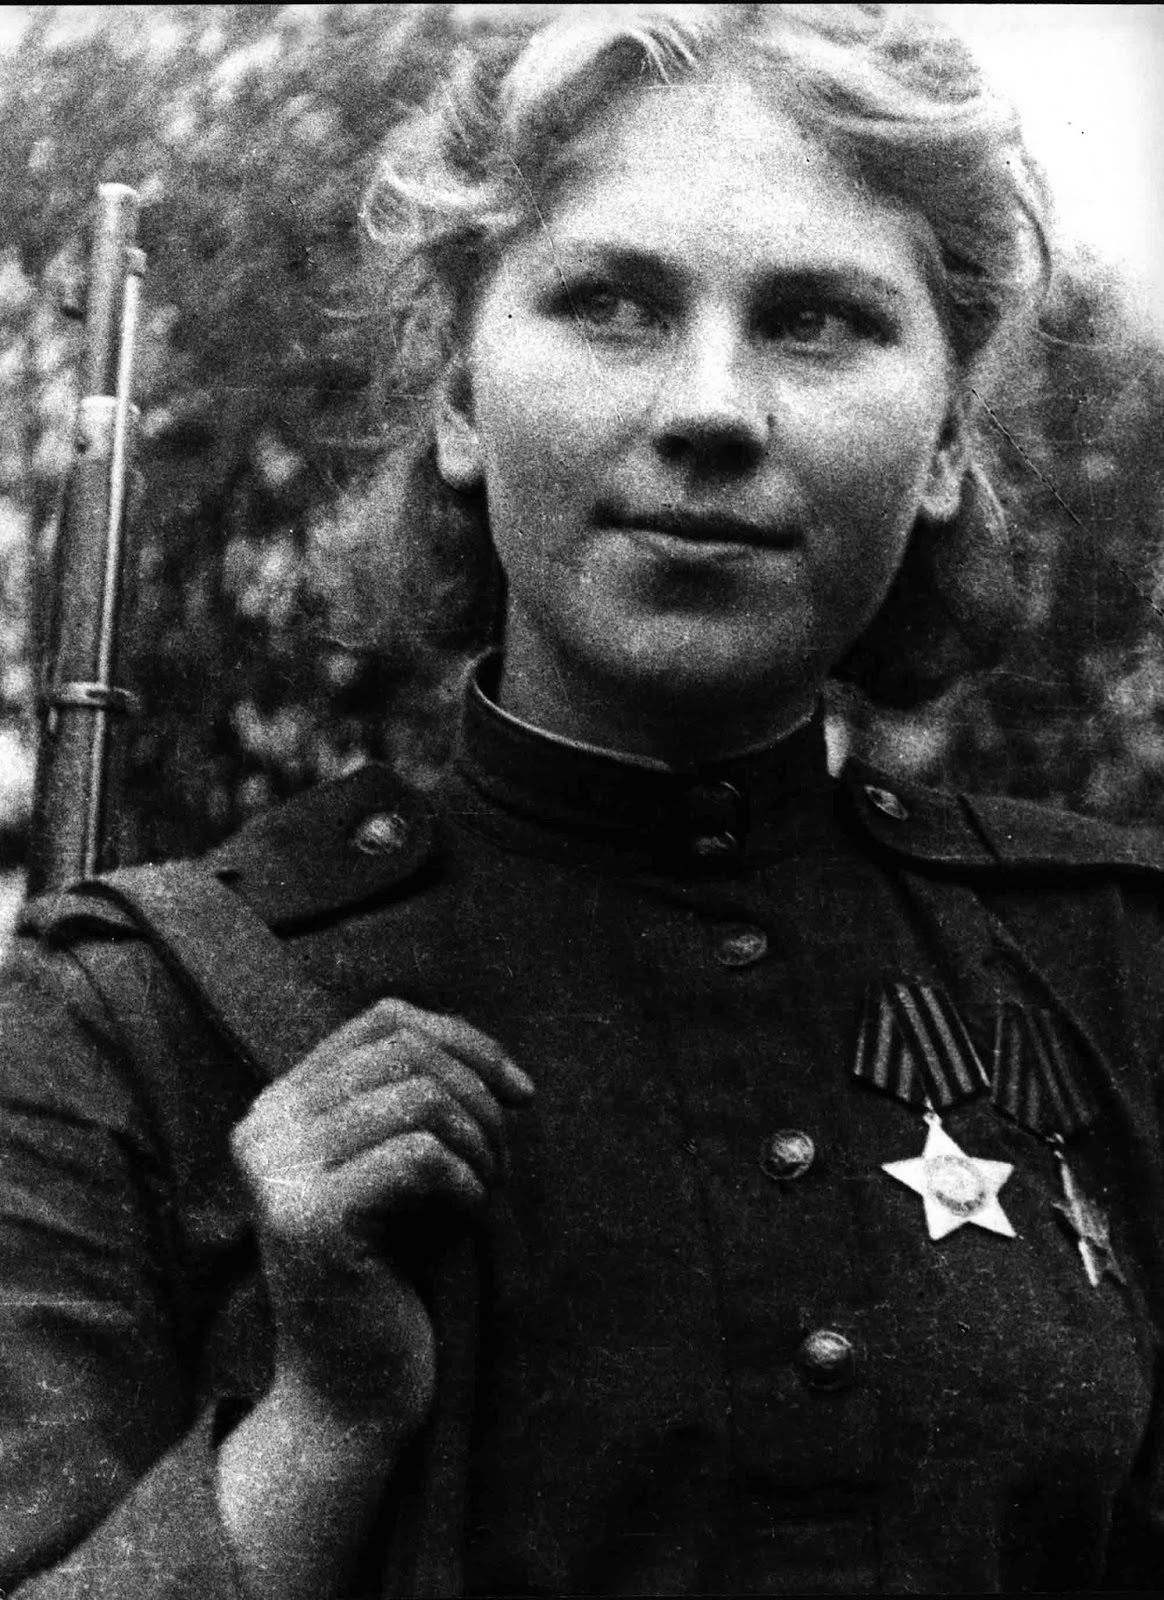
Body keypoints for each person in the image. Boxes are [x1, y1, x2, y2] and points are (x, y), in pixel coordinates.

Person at [2, 4, 1164, 1595]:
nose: (711, 407)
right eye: (610, 302)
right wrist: (323, 1421)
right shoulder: (137, 1018)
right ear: (463, 407)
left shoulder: (1121, 971)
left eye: (820, 321)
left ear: (949, 435)